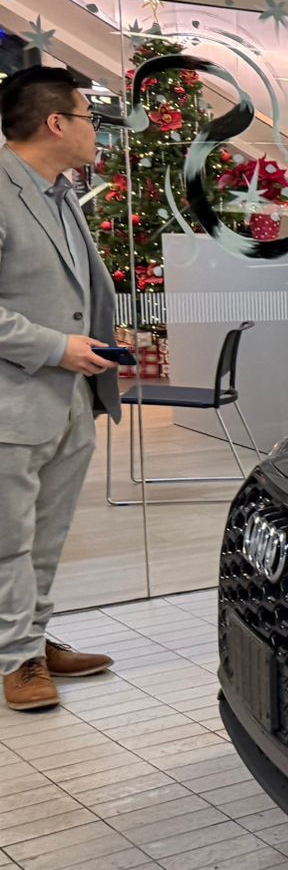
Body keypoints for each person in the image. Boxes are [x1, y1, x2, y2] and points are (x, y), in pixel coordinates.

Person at [0, 66, 120, 711]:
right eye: (86, 117)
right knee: (7, 542)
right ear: (55, 123)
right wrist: (57, 347)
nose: (93, 130)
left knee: (47, 536)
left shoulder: (59, 192)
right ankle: (14, 659)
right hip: (13, 403)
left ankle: (32, 639)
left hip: (71, 397)